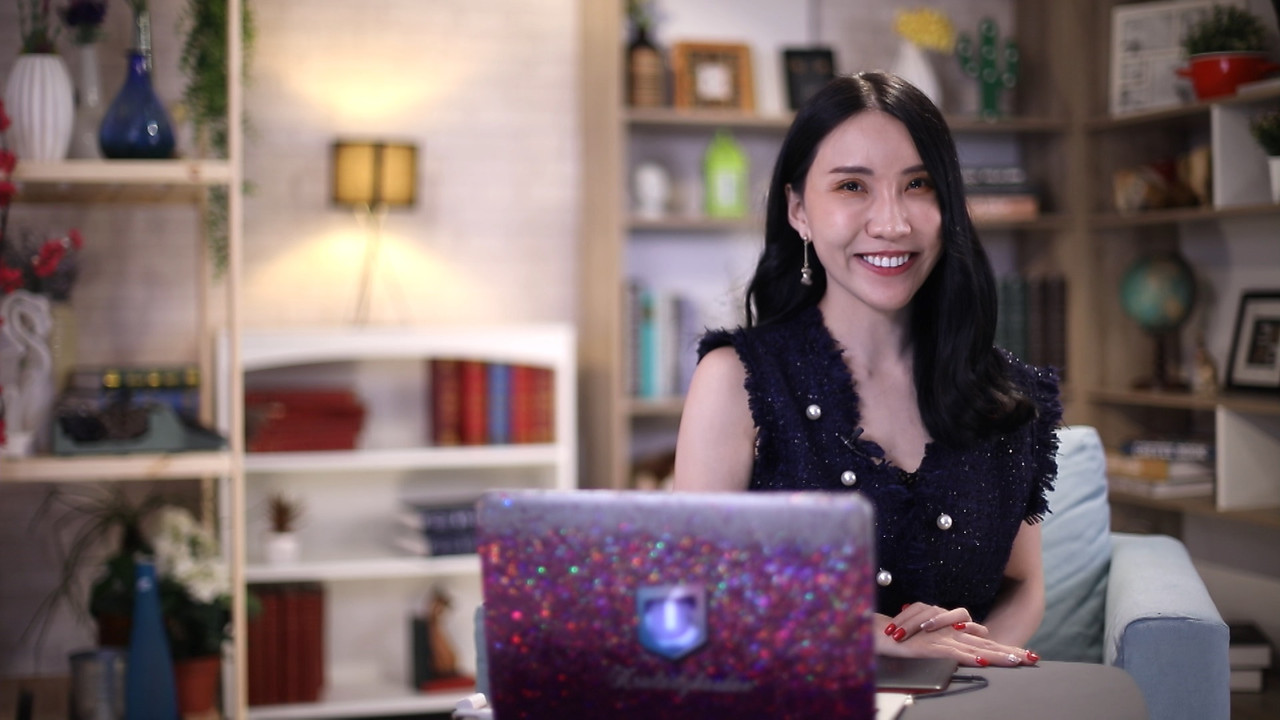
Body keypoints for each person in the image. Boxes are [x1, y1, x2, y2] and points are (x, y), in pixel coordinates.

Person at [673, 72, 1061, 669]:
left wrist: (962, 665)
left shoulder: (1006, 393)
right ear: (799, 210)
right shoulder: (736, 380)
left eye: (918, 184)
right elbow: (697, 588)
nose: (892, 222)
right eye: (852, 186)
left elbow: (1022, 583)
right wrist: (864, 633)